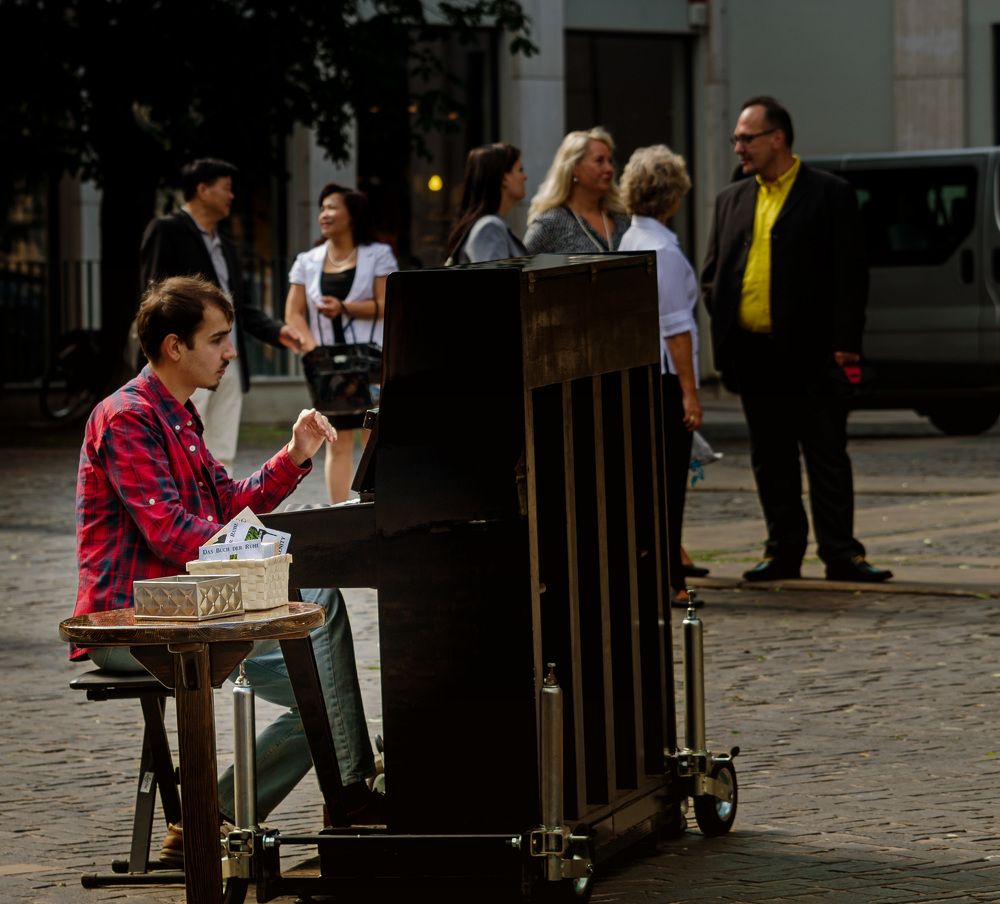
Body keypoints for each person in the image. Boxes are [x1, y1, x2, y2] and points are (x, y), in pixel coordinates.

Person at [70, 276, 383, 857]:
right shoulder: (127, 417)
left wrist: (294, 455)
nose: (231, 352)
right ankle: (347, 796)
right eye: (217, 340)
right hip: (131, 623)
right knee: (318, 616)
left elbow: (229, 504)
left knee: (319, 689)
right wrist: (264, 549)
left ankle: (210, 816)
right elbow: (170, 532)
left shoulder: (178, 415)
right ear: (175, 346)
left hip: (190, 607)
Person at [700, 96, 892, 583]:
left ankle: (841, 554)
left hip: (813, 354)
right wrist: (728, 322)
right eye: (736, 139)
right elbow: (713, 273)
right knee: (771, 459)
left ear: (777, 138)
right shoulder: (731, 198)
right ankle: (783, 551)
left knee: (826, 454)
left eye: (747, 138)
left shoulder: (829, 194)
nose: (738, 147)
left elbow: (851, 276)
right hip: (754, 354)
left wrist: (845, 343)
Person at [140, 158, 304, 475]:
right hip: (187, 358)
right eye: (226, 188)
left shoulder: (226, 245)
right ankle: (186, 505)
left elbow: (240, 306)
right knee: (182, 445)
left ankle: (221, 506)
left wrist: (277, 332)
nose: (232, 196)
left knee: (222, 451)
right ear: (202, 189)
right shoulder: (167, 231)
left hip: (229, 359)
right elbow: (155, 299)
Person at [618, 145, 702, 607]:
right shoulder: (662, 248)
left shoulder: (631, 239)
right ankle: (672, 579)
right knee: (668, 487)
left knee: (653, 485)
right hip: (667, 379)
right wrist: (691, 393)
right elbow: (676, 328)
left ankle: (660, 573)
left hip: (645, 375)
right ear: (672, 195)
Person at [284, 183, 398, 503]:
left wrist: (345, 307)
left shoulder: (378, 255)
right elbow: (293, 313)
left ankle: (375, 506)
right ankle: (340, 510)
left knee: (372, 436)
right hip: (329, 367)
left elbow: (386, 302)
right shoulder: (307, 260)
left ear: (352, 215)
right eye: (321, 208)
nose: (324, 214)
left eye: (332, 207)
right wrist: (312, 350)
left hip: (371, 361)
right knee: (336, 440)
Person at [523, 126, 629, 254]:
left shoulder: (623, 218)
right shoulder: (550, 223)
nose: (609, 169)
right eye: (599, 161)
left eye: (610, 161)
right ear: (574, 168)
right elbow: (522, 263)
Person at [444, 142, 528, 264]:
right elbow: (495, 276)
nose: (525, 177)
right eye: (520, 170)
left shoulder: (491, 226)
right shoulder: (490, 228)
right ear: (504, 178)